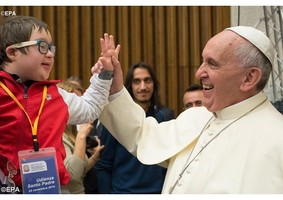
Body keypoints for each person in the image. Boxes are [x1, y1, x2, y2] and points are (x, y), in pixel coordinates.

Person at [96, 26, 283, 193]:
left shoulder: (276, 140)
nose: (199, 73)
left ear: (249, 77)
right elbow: (144, 135)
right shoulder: (198, 116)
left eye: (212, 63)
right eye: (203, 61)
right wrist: (115, 89)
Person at [0, 15, 119, 193]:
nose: (49, 53)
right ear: (12, 52)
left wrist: (104, 74)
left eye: (50, 48)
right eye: (42, 46)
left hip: (53, 189)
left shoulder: (55, 94)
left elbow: (90, 108)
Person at [95, 62, 175, 194]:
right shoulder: (116, 118)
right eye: (137, 81)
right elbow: (104, 165)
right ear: (130, 86)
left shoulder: (165, 116)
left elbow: (170, 163)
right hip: (122, 193)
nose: (143, 87)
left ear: (154, 84)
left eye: (147, 80)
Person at [57, 81, 104, 194]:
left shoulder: (70, 132)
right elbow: (72, 176)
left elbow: (80, 170)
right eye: (76, 104)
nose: (81, 110)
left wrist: (94, 158)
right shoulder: (57, 134)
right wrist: (82, 136)